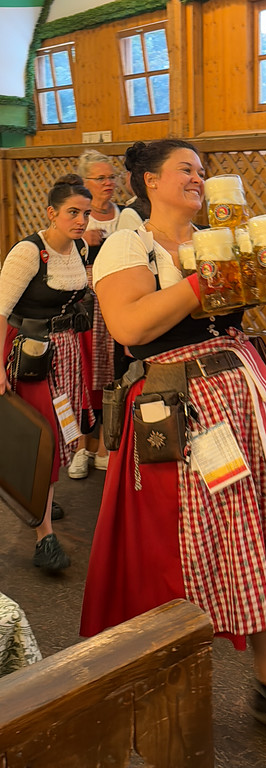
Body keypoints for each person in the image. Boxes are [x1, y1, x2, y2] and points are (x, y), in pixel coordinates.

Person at [80, 139, 266, 749]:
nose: (199, 178)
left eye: (202, 170)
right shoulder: (127, 244)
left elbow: (237, 308)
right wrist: (206, 278)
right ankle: (157, 688)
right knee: (180, 547)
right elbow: (131, 326)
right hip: (179, 410)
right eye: (185, 169)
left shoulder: (220, 235)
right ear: (149, 181)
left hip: (244, 396)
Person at [0, 174, 94, 571]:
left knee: (65, 429)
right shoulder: (28, 253)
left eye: (86, 213)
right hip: (31, 356)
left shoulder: (82, 248)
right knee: (43, 437)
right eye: (73, 212)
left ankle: (40, 497)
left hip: (67, 351)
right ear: (52, 213)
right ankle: (44, 540)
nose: (81, 221)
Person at [68, 150, 121, 480]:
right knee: (82, 377)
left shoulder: (127, 215)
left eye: (111, 177)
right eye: (100, 178)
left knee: (113, 376)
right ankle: (79, 447)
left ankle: (104, 447)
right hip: (85, 306)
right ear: (85, 182)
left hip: (116, 301)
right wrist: (81, 243)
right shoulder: (77, 217)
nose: (108, 183)